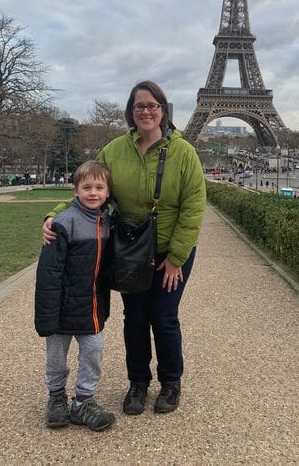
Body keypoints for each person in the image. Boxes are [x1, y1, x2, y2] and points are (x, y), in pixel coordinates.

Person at [43, 80, 206, 416]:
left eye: (152, 105)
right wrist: (55, 215)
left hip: (169, 254)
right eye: (138, 106)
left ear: (163, 109)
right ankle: (138, 383)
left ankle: (171, 382)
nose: (146, 111)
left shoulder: (184, 153)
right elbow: (90, 189)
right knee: (134, 318)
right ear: (131, 112)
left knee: (163, 318)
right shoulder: (114, 151)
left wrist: (176, 258)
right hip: (131, 253)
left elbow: (193, 207)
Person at [35, 160, 115, 431]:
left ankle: (84, 400)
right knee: (56, 355)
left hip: (92, 305)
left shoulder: (108, 223)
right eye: (87, 187)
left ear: (107, 192)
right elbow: (48, 273)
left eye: (99, 187)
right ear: (75, 191)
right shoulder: (63, 222)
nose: (93, 193)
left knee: (93, 352)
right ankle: (56, 397)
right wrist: (46, 314)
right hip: (62, 305)